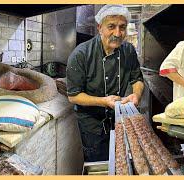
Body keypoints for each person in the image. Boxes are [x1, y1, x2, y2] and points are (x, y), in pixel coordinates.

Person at [66, 4, 144, 162]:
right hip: (92, 125)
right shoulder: (81, 54)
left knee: (122, 160)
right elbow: (73, 96)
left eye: (122, 27)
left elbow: (137, 79)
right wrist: (103, 101)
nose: (117, 33)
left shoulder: (128, 51)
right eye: (111, 27)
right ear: (100, 27)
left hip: (120, 119)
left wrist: (136, 95)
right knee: (99, 162)